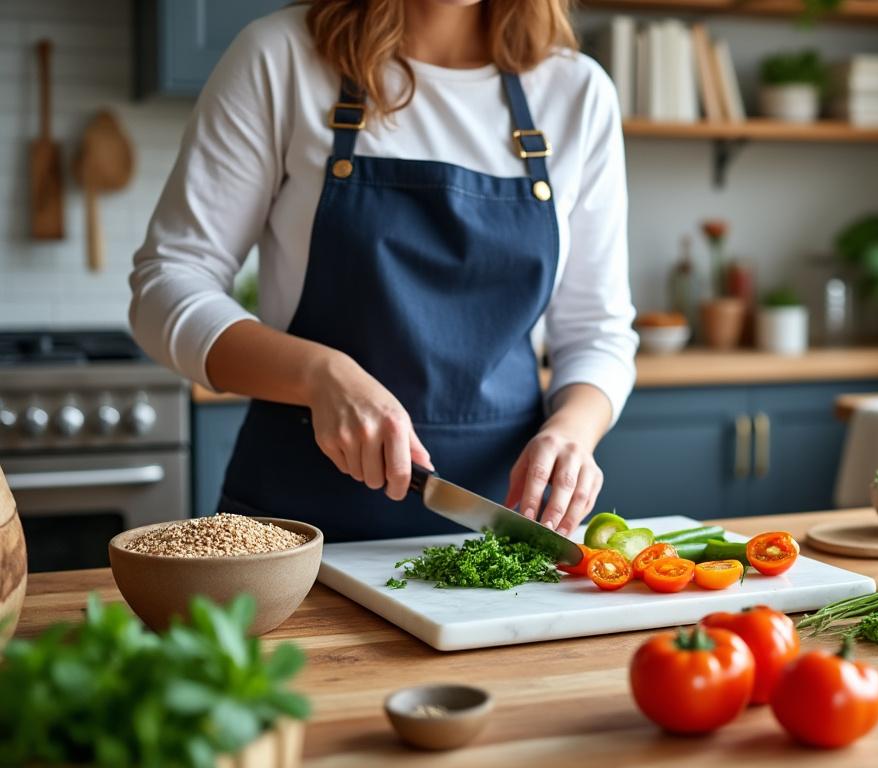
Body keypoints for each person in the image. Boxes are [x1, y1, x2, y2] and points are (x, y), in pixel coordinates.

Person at [129, 0, 636, 542]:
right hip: (297, 533)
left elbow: (597, 330)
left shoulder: (577, 92)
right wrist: (320, 374)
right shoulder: (281, 57)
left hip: (497, 532)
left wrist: (573, 429)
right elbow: (167, 284)